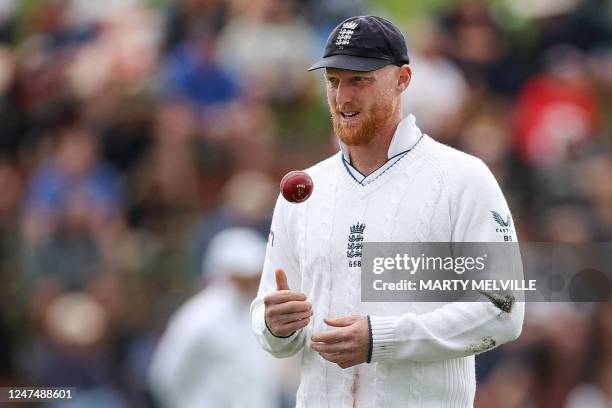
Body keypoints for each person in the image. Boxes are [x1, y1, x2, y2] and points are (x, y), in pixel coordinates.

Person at [250, 15, 524, 407]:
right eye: (333, 80)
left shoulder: (463, 177)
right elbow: (269, 318)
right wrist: (275, 326)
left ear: (403, 79)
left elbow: (503, 310)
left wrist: (381, 339)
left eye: (359, 79)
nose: (342, 97)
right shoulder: (304, 191)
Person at [149, 228, 281, 408]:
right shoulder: (199, 316)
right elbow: (164, 375)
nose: (255, 281)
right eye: (246, 276)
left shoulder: (253, 313)